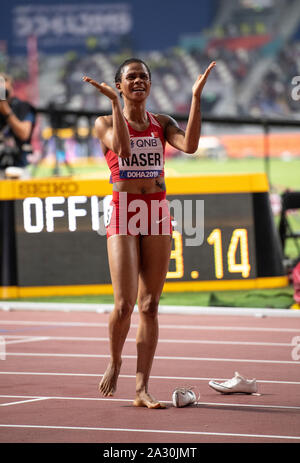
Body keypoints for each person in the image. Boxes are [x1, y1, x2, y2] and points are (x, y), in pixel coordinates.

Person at [83, 58, 215, 408]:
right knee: (125, 305)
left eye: (144, 76)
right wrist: (114, 103)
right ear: (121, 85)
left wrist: (196, 98)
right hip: (125, 211)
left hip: (156, 210)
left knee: (150, 305)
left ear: (150, 84)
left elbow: (189, 145)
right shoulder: (104, 123)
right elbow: (123, 149)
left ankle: (142, 388)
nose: (139, 80)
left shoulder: (162, 122)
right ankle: (115, 359)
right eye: (131, 77)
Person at [0, 73, 36, 178]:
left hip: (19, 168)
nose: (2, 96)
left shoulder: (23, 107)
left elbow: (24, 134)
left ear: (11, 89)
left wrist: (5, 110)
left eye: (4, 92)